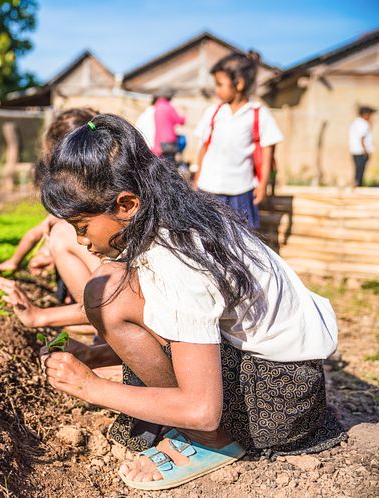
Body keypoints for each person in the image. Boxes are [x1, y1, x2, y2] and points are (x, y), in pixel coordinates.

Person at [38, 114, 345, 491]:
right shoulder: (173, 215)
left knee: (111, 295)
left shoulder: (177, 258)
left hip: (280, 398)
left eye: (82, 227)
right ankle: (180, 416)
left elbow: (202, 408)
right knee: (109, 285)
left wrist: (89, 387)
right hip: (283, 373)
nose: (80, 240)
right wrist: (95, 354)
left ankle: (209, 441)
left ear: (127, 203)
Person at [0, 108, 101, 328]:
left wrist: (17, 261)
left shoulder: (73, 198)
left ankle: (90, 316)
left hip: (115, 297)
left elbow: (39, 233)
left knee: (61, 235)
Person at [193, 51, 282, 228]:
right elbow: (204, 147)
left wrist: (262, 184)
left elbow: (267, 153)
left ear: (239, 84)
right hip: (209, 188)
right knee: (206, 237)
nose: (216, 89)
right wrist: (197, 176)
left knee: (242, 241)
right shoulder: (214, 112)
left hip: (240, 192)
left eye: (220, 84)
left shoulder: (258, 114)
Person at [152, 89, 185, 164]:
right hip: (169, 142)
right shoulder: (168, 107)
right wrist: (184, 113)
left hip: (159, 142)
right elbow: (180, 121)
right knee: (170, 164)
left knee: (161, 164)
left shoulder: (157, 107)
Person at [349, 105, 375, 187]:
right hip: (361, 151)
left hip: (355, 151)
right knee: (360, 171)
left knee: (358, 170)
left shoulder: (356, 122)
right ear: (365, 114)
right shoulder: (363, 123)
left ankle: (356, 185)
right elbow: (362, 138)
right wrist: (365, 151)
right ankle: (357, 186)